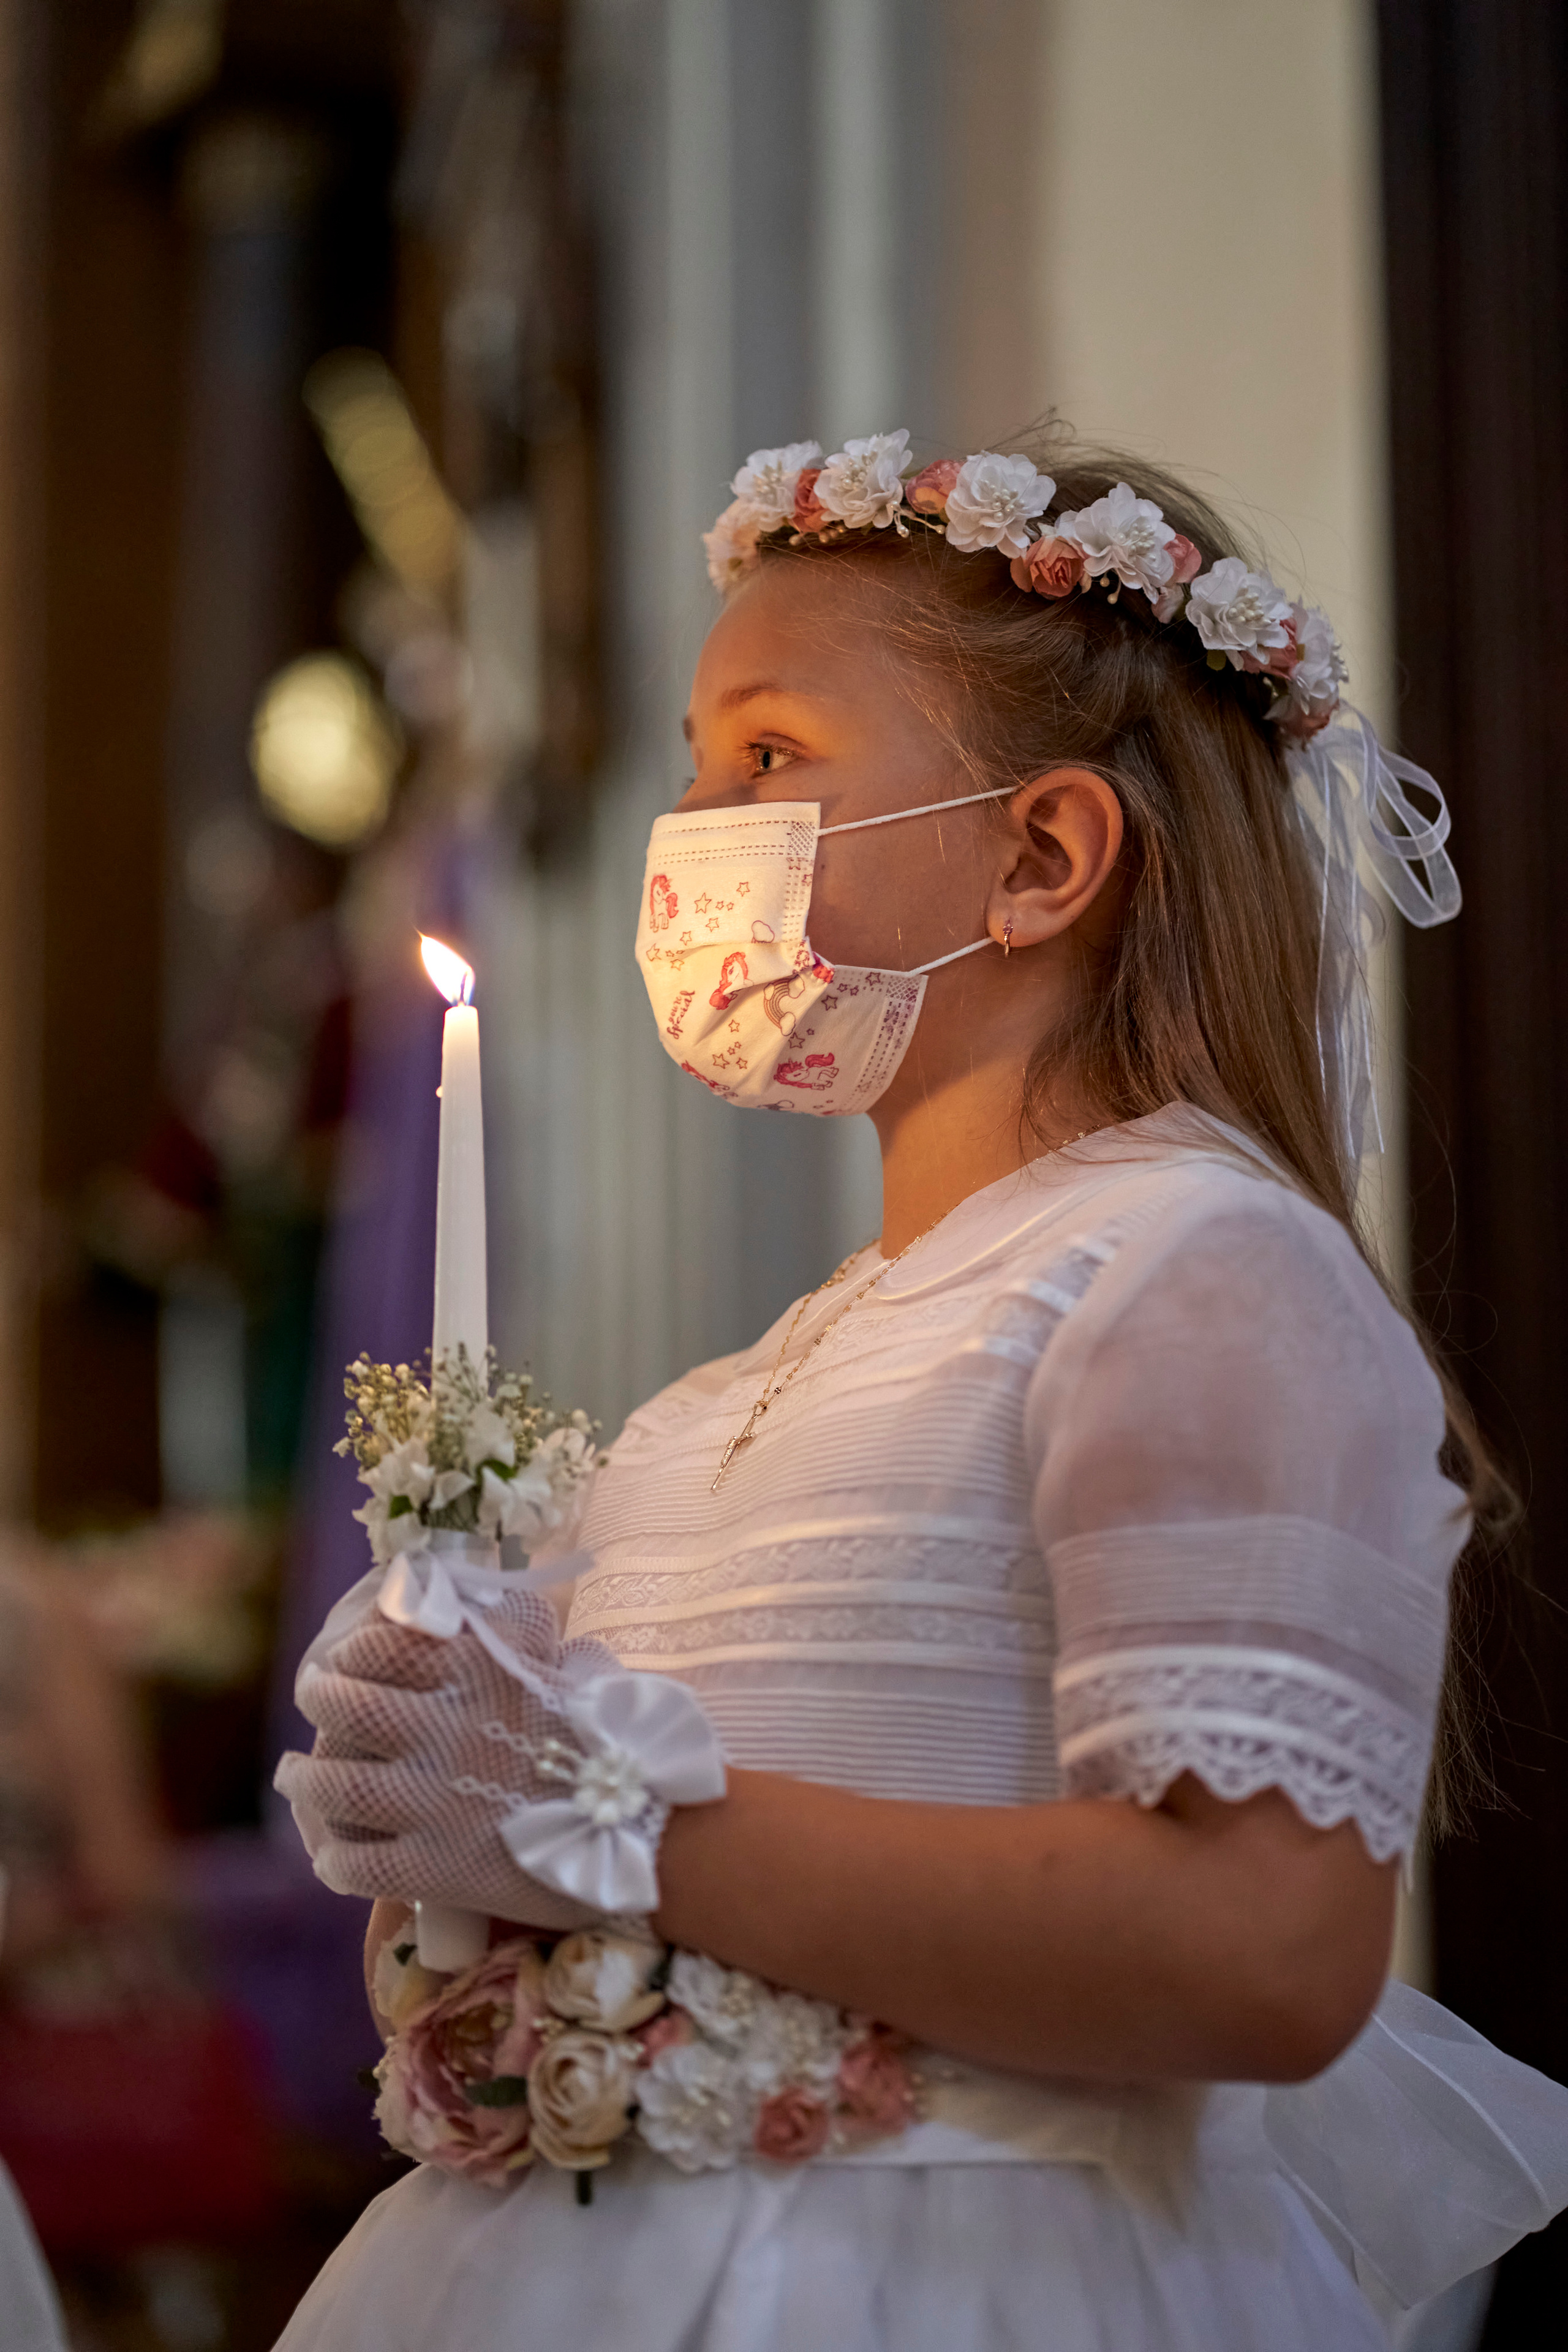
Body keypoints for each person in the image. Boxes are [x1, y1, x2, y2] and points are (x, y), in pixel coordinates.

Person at [272, 432, 1568, 2350]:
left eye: (772, 757)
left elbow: (1264, 1954)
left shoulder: (1194, 1268)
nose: (694, 824)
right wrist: (455, 1862)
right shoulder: (719, 1400)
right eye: (702, 761)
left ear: (1043, 857)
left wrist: (591, 1810)